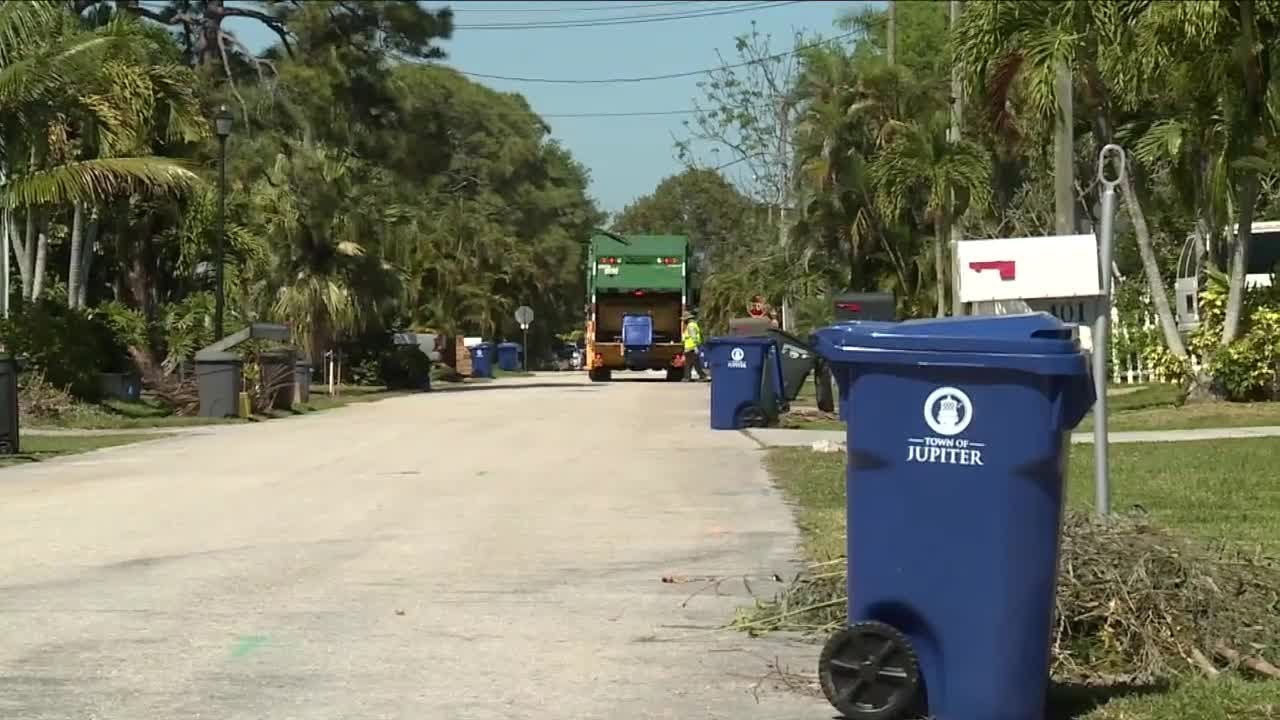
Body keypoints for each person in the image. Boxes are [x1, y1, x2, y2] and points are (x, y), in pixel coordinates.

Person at [681, 311, 708, 382]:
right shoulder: (693, 325)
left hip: (691, 348)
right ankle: (700, 376)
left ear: (687, 319)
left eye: (684, 320)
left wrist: (695, 346)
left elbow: (693, 337)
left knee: (689, 364)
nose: (683, 321)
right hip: (691, 348)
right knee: (693, 363)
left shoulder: (691, 326)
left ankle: (689, 377)